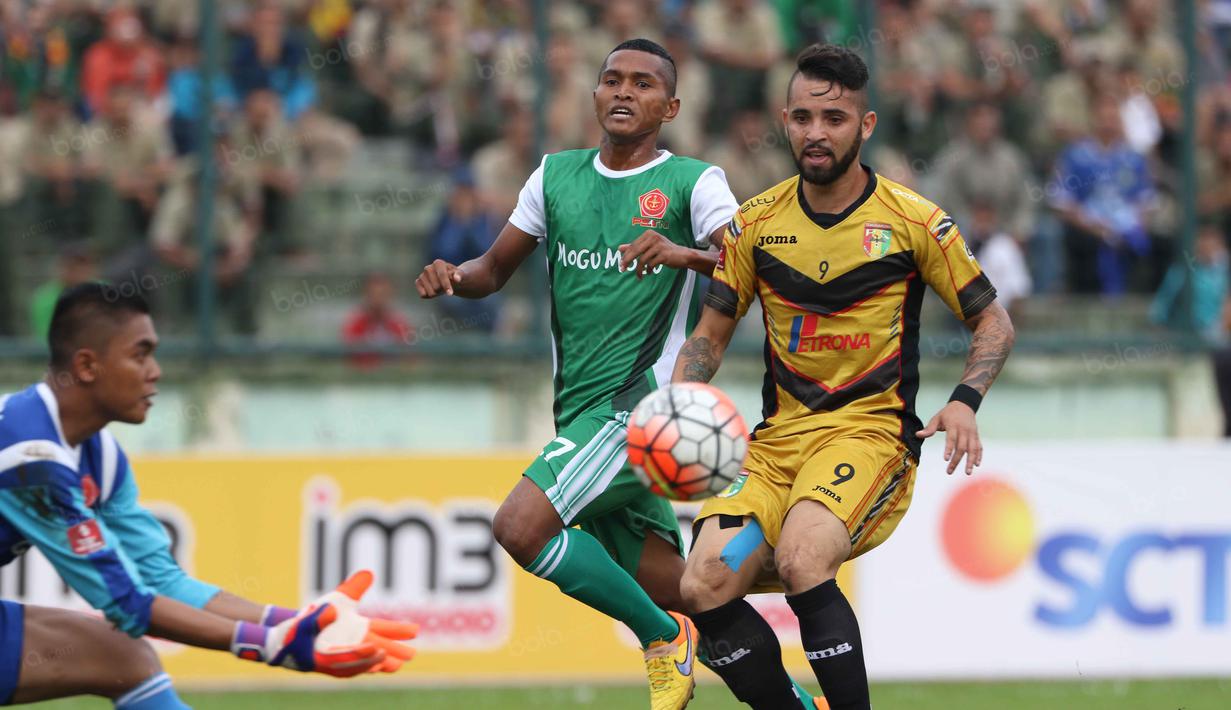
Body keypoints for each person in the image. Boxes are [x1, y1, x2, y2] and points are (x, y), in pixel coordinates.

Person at [417, 38, 817, 710]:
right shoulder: (553, 176)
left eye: (641, 83)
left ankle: (661, 641)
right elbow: (490, 271)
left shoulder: (695, 181)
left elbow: (752, 267)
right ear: (595, 94)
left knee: (519, 528)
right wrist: (451, 277)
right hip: (577, 414)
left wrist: (679, 252)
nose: (624, 92)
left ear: (670, 105)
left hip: (635, 412)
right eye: (611, 80)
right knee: (691, 590)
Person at [672, 45, 1015, 710]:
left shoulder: (913, 221)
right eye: (802, 117)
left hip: (868, 438)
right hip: (774, 455)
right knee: (703, 582)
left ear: (865, 126)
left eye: (833, 118)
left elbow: (993, 323)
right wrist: (681, 401)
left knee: (802, 559)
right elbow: (709, 336)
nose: (815, 132)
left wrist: (965, 400)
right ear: (784, 121)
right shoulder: (754, 224)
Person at [0, 283, 416, 707]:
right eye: (140, 354)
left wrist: (298, 622)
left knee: (124, 658)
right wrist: (270, 644)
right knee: (121, 647)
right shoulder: (30, 457)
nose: (155, 370)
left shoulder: (99, 456)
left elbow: (161, 581)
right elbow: (126, 602)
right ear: (87, 366)